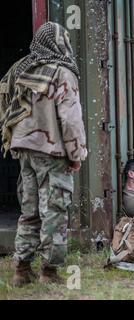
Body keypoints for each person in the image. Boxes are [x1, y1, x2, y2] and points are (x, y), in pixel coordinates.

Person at [0, 22, 88, 286]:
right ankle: (49, 273)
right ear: (61, 42)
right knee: (55, 210)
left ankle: (21, 270)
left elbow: (4, 102)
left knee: (29, 210)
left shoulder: (20, 68)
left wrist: (12, 136)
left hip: (24, 150)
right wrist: (76, 154)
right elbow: (71, 120)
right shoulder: (62, 72)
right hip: (51, 152)